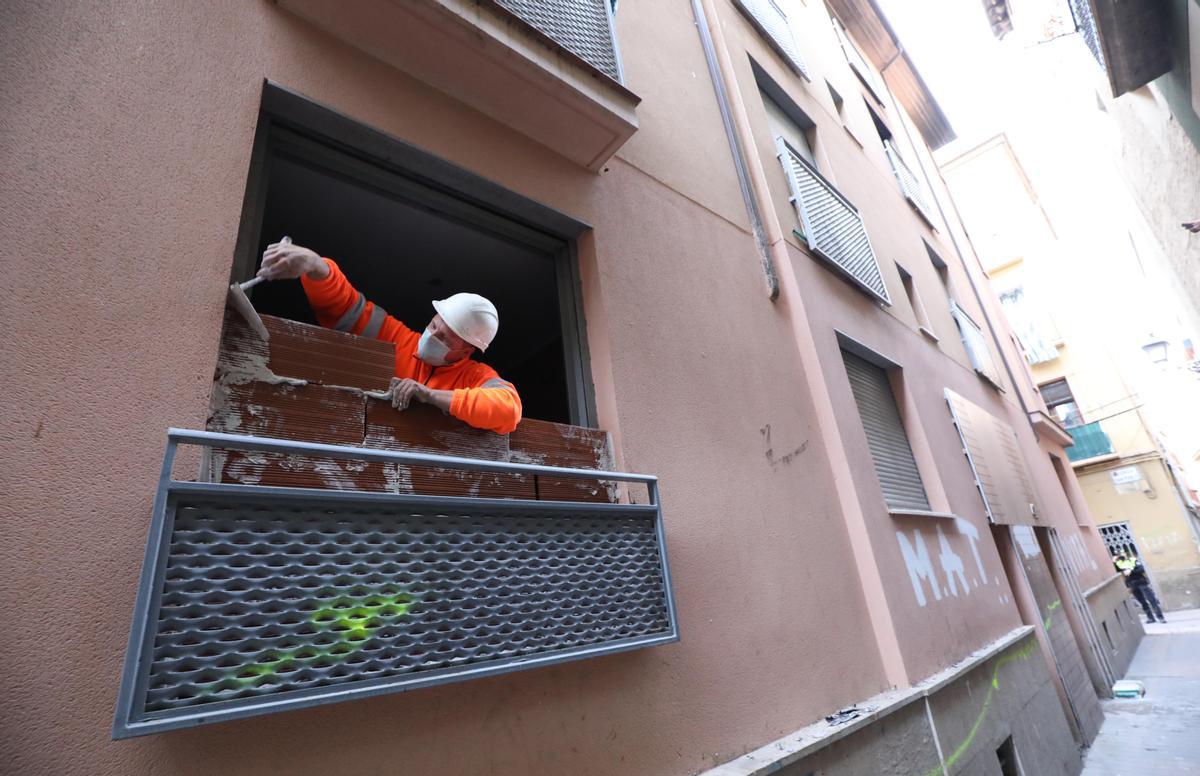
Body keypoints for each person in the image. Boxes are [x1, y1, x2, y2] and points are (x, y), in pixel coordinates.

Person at [256, 239, 522, 435]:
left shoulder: (475, 377)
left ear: (466, 351)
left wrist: (429, 395)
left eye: (445, 338)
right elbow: (347, 307)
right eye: (433, 326)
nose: (432, 335)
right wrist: (315, 266)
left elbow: (508, 409)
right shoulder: (398, 340)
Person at [1114, 551, 1166, 624]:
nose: (1122, 555)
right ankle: (1150, 618)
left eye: (1123, 553)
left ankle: (1160, 617)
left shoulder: (1133, 560)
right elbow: (1115, 570)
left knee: (1151, 600)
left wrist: (1131, 571)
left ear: (1126, 554)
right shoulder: (1120, 564)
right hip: (1132, 585)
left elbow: (1141, 569)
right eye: (1120, 554)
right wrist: (1114, 561)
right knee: (1142, 602)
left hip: (1141, 583)